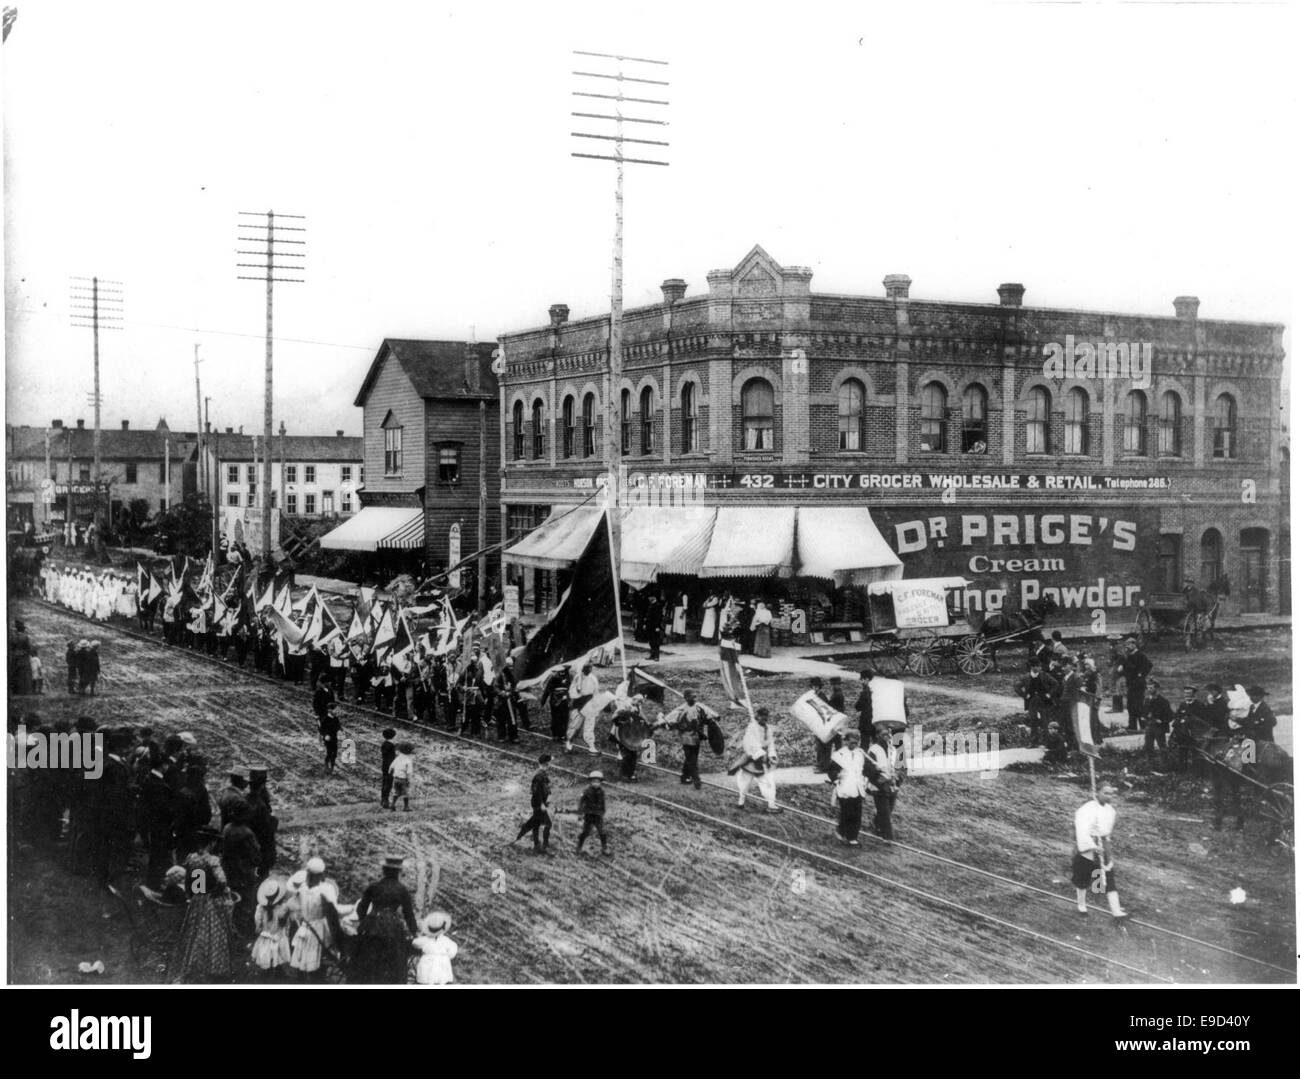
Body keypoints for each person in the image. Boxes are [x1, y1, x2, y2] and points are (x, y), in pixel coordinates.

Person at [170, 826, 240, 983]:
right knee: (214, 933)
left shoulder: (192, 858)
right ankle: (214, 967)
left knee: (195, 932)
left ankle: (195, 965)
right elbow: (222, 880)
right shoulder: (212, 860)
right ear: (212, 843)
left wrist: (194, 894)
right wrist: (216, 892)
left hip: (197, 899)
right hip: (210, 902)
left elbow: (192, 883)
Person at [350, 855, 420, 984]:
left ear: (384, 870)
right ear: (399, 872)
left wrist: (365, 922)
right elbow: (408, 914)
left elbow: (361, 908)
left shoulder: (373, 887)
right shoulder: (402, 890)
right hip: (392, 929)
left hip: (371, 926)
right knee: (395, 961)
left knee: (364, 958)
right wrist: (415, 932)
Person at [1072, 783, 1128, 919]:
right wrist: (1092, 844)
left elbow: (1106, 832)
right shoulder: (1088, 809)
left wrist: (1105, 846)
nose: (1108, 796)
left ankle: (1116, 912)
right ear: (1097, 792)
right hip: (1088, 845)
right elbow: (1081, 829)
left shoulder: (1111, 811)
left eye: (1111, 793)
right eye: (1105, 793)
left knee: (1108, 876)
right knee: (1083, 877)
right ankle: (1081, 905)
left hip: (1103, 845)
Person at [289, 858, 342, 982]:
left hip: (305, 927)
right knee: (317, 962)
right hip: (319, 928)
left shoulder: (302, 888)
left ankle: (301, 981)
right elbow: (333, 912)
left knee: (302, 960)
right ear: (322, 875)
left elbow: (293, 905)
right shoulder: (326, 890)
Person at [659, 688, 716, 790]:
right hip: (686, 738)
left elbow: (711, 716)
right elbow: (669, 720)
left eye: (695, 696)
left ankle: (685, 777)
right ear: (686, 698)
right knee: (692, 760)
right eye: (692, 696)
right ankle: (696, 781)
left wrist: (713, 719)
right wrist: (663, 721)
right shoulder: (681, 710)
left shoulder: (699, 707)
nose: (694, 698)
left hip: (697, 737)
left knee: (690, 758)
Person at [221, 801, 262, 940]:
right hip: (244, 873)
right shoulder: (246, 833)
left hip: (229, 871)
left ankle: (232, 930)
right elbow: (255, 856)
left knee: (233, 901)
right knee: (246, 904)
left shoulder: (227, 828)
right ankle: (243, 934)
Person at [733, 708, 781, 813]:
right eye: (762, 716)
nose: (764, 719)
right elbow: (749, 743)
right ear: (757, 716)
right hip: (752, 759)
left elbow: (770, 743)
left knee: (768, 782)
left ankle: (771, 805)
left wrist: (772, 755)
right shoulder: (752, 727)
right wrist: (759, 753)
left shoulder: (768, 729)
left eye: (766, 717)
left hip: (763, 761)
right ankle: (741, 802)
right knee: (744, 782)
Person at [828, 729, 869, 845]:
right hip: (844, 787)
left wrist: (865, 779)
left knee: (857, 813)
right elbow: (831, 771)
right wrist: (837, 776)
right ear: (845, 741)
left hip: (857, 787)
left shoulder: (860, 754)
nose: (854, 745)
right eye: (852, 743)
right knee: (846, 812)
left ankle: (852, 837)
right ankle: (842, 832)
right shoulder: (839, 755)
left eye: (856, 743)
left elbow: (864, 769)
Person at [251, 878, 294, 980]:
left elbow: (258, 923)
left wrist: (260, 929)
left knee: (268, 954)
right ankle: (274, 972)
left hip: (266, 935)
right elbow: (286, 924)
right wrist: (286, 932)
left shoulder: (260, 908)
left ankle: (272, 972)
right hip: (279, 935)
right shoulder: (283, 908)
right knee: (278, 953)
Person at [865, 726, 903, 840]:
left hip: (892, 785)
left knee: (888, 809)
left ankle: (877, 824)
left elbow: (900, 766)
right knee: (885, 812)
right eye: (884, 734)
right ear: (877, 736)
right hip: (879, 787)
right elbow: (868, 769)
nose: (887, 737)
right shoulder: (873, 750)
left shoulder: (893, 750)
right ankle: (888, 837)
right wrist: (879, 781)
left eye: (889, 734)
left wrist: (898, 779)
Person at [1014, 660, 1060, 746]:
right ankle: (1033, 742)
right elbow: (1016, 686)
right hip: (1032, 702)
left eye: (1040, 666)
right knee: (1033, 721)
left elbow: (1055, 684)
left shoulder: (1044, 676)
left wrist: (1049, 694)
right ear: (1032, 667)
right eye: (1037, 666)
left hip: (1043, 702)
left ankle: (1047, 742)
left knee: (1045, 722)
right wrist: (1024, 695)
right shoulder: (1026, 677)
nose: (1039, 668)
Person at [515, 753, 554, 854]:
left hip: (542, 803)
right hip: (538, 803)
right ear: (546, 764)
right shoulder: (538, 776)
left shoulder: (544, 774)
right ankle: (543, 846)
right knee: (547, 823)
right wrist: (541, 804)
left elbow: (547, 788)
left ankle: (537, 844)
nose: (550, 765)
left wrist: (549, 797)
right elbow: (536, 792)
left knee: (536, 823)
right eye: (549, 763)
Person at [412, 911, 459, 987]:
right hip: (442, 967)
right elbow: (452, 953)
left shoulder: (424, 940)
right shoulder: (448, 941)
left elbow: (414, 943)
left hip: (429, 967)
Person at [248, 768, 278, 879]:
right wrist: (274, 821)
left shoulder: (246, 799)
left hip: (250, 842)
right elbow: (267, 829)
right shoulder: (260, 805)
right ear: (262, 784)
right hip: (262, 844)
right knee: (262, 872)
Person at [566, 661, 601, 755]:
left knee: (589, 725)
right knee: (575, 725)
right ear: (583, 668)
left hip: (589, 703)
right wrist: (578, 693)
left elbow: (596, 692)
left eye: (590, 668)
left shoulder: (593, 679)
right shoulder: (578, 678)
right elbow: (572, 691)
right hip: (579, 703)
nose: (589, 670)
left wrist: (596, 704)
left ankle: (591, 746)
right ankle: (569, 743)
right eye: (587, 668)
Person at [1119, 637, 1152, 732]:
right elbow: (1126, 669)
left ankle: (1143, 726)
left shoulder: (1140, 655)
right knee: (1130, 705)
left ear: (1134, 644)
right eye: (1126, 645)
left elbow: (1149, 665)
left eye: (1129, 645)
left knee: (1138, 705)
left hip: (1138, 684)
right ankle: (1132, 726)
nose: (1127, 647)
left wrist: (1141, 674)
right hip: (1131, 684)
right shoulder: (1129, 656)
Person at [576, 771, 611, 856]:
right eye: (594, 781)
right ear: (590, 782)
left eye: (598, 782)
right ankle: (579, 847)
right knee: (585, 832)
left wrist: (603, 812)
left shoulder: (601, 791)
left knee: (602, 832)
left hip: (598, 815)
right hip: (588, 815)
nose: (596, 784)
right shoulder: (586, 790)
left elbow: (602, 803)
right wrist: (580, 814)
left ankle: (604, 847)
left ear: (600, 782)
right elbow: (581, 802)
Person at [1142, 679, 1174, 754]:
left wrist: (1162, 720)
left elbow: (1170, 715)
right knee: (1148, 746)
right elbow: (1144, 711)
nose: (1149, 690)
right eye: (1148, 688)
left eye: (1151, 688)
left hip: (1159, 727)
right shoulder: (1147, 700)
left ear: (1156, 688)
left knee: (1162, 746)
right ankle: (1150, 762)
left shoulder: (1163, 701)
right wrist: (1143, 717)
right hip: (1149, 726)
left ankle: (1165, 762)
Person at [548, 667, 572, 743]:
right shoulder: (554, 677)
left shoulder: (569, 676)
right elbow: (549, 689)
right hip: (556, 700)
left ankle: (562, 735)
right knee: (556, 717)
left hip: (565, 700)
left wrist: (568, 697)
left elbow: (571, 688)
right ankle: (555, 735)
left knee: (564, 718)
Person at [389, 742, 414, 812]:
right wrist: (409, 781)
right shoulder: (408, 761)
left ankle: (392, 805)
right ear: (410, 752)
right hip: (403, 779)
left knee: (396, 792)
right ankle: (406, 807)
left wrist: (390, 773)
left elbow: (391, 767)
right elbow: (409, 773)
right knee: (406, 793)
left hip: (395, 778)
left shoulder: (397, 758)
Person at [319, 700, 342, 774]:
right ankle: (326, 764)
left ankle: (332, 767)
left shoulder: (336, 718)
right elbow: (321, 729)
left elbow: (338, 726)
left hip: (334, 738)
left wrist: (339, 731)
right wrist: (325, 735)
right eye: (336, 710)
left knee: (334, 753)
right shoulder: (325, 719)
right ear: (330, 710)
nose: (337, 711)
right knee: (329, 752)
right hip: (328, 739)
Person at [379, 728, 397, 809]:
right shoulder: (391, 745)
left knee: (385, 783)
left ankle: (383, 800)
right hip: (390, 767)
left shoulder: (384, 744)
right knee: (388, 784)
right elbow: (391, 758)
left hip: (385, 766)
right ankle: (385, 801)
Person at [644, 592, 664, 662]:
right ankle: (652, 655)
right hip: (649, 626)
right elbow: (648, 616)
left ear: (654, 597)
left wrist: (658, 626)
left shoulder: (658, 605)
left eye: (650, 597)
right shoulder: (650, 605)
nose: (649, 598)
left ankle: (656, 656)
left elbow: (659, 617)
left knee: (656, 641)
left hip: (655, 626)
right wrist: (645, 624)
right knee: (651, 641)